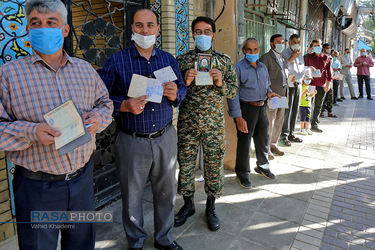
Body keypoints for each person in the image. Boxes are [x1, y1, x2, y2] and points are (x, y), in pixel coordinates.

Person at [0, 0, 114, 249]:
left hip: (82, 179)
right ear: (27, 30)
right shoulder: (8, 75)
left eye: (51, 22)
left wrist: (98, 119)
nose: (43, 28)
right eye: (35, 23)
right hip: (37, 187)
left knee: (82, 244)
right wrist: (32, 131)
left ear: (64, 29)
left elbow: (105, 103)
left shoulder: (84, 70)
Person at [100, 9, 186, 250]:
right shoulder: (116, 61)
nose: (145, 30)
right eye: (139, 25)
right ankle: (136, 242)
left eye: (150, 25)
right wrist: (124, 105)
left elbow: (181, 90)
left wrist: (175, 93)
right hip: (132, 140)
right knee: (132, 197)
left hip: (165, 137)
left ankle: (164, 239)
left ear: (158, 29)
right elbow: (102, 100)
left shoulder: (169, 59)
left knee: (166, 194)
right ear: (132, 29)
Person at [174, 16, 238, 232]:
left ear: (213, 34)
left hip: (213, 125)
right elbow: (173, 93)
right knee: (186, 165)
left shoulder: (224, 61)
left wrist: (221, 83)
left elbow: (234, 91)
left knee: (213, 166)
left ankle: (210, 207)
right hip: (188, 123)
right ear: (192, 34)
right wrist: (185, 81)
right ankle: (188, 205)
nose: (203, 35)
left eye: (207, 31)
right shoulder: (181, 61)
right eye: (198, 31)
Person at [228, 38, 280, 189]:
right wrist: (238, 117)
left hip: (261, 107)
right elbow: (232, 94)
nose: (252, 52)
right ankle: (242, 172)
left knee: (263, 137)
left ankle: (262, 165)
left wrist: (269, 93)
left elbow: (266, 86)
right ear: (244, 50)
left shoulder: (263, 67)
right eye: (249, 50)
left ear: (259, 49)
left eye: (255, 49)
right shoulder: (238, 68)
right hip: (246, 109)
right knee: (245, 141)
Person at [259, 34, 289, 158]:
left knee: (279, 120)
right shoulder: (266, 58)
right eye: (278, 42)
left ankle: (273, 143)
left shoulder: (284, 58)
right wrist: (268, 91)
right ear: (272, 44)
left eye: (283, 42)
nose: (281, 44)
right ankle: (266, 148)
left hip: (283, 93)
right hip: (272, 95)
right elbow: (262, 77)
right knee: (269, 121)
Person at [280, 34, 305, 145]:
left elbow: (302, 67)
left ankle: (291, 133)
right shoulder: (285, 53)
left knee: (295, 110)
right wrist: (292, 57)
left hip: (298, 84)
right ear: (289, 43)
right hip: (288, 84)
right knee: (287, 110)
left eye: (298, 42)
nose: (296, 44)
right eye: (294, 42)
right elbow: (283, 67)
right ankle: (284, 135)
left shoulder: (300, 54)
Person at [304, 39, 333, 133]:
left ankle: (314, 124)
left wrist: (328, 84)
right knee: (307, 105)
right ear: (312, 47)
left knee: (318, 105)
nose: (317, 47)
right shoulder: (308, 57)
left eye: (319, 45)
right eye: (315, 45)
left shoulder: (326, 57)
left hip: (321, 85)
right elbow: (304, 70)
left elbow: (329, 72)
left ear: (322, 46)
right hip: (310, 85)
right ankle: (305, 124)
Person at [321, 43, 337, 118]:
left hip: (330, 79)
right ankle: (321, 112)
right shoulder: (322, 57)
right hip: (324, 79)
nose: (329, 49)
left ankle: (330, 111)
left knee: (330, 96)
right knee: (323, 97)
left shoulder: (330, 57)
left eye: (329, 48)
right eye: (327, 48)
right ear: (323, 48)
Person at [299, 70, 317, 135]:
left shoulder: (309, 87)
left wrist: (314, 93)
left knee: (308, 117)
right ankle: (302, 128)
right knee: (302, 117)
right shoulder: (302, 86)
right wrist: (304, 92)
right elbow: (300, 96)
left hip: (308, 104)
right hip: (302, 104)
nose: (309, 80)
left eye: (309, 79)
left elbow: (310, 96)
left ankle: (307, 128)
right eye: (307, 79)